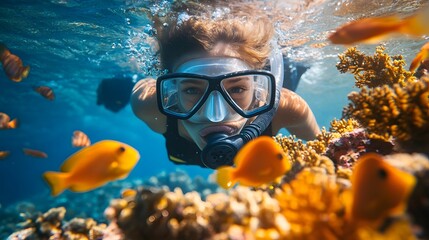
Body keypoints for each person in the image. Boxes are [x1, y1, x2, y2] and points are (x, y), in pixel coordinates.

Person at [131, 7, 320, 169]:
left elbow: (325, 150)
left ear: (256, 88)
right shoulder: (150, 105)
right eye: (192, 90)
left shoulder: (287, 108)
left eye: (237, 89)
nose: (216, 116)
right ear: (173, 92)